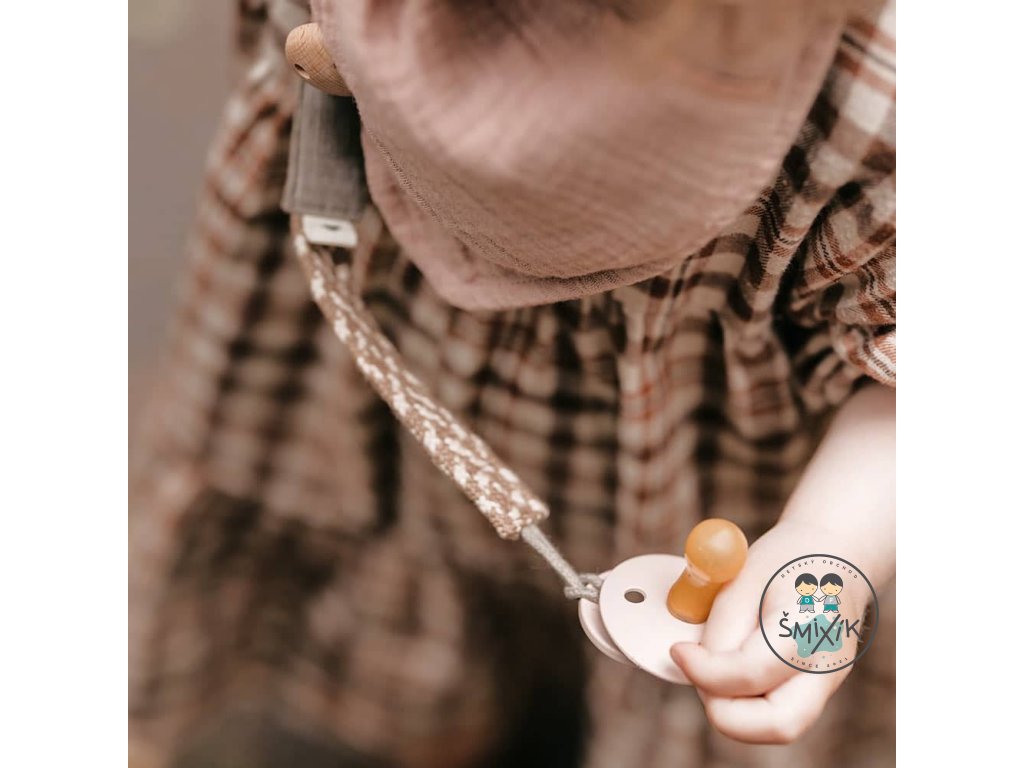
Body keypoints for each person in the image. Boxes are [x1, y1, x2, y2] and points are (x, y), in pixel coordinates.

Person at [129, 0, 896, 765]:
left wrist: (827, 547)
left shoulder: (886, 98)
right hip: (399, 386)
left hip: (707, 469)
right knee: (426, 658)